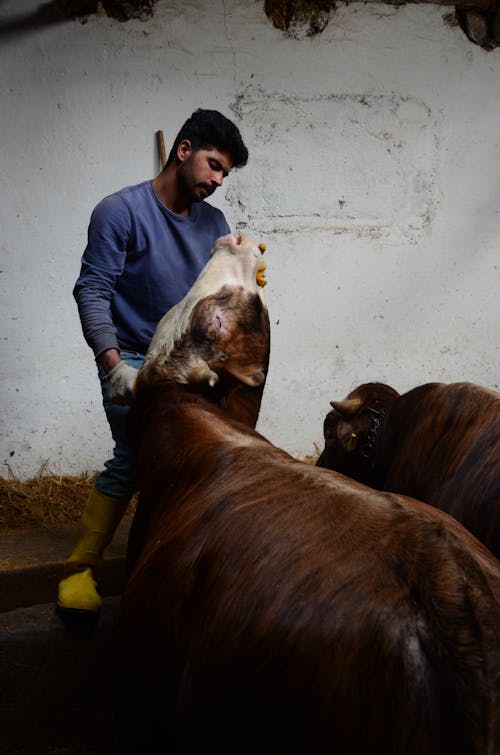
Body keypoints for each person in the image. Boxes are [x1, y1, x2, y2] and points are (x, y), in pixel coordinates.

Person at [57, 109, 249, 617]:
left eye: (225, 173)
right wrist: (113, 364)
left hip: (193, 358)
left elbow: (219, 299)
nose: (217, 180)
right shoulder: (119, 211)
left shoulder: (213, 223)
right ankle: (81, 568)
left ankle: (186, 563)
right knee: (136, 456)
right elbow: (92, 290)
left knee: (208, 454)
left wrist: (239, 267)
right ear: (183, 150)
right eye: (213, 165)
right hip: (135, 359)